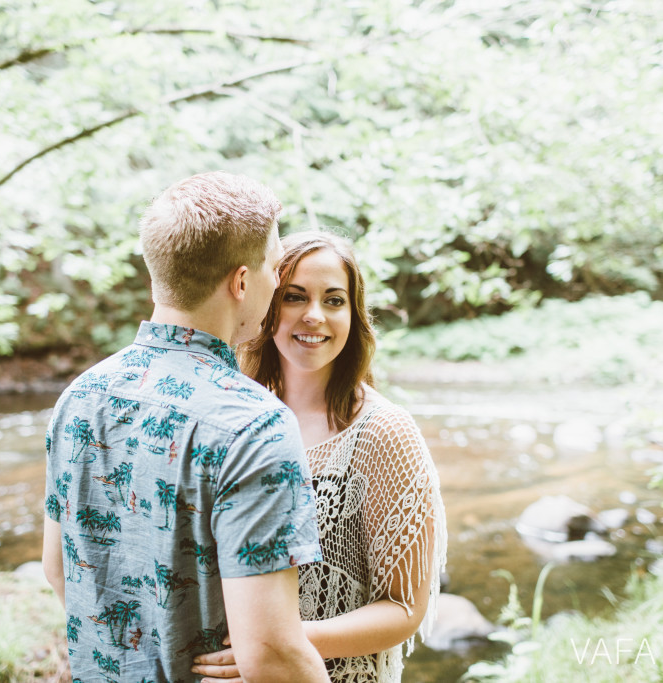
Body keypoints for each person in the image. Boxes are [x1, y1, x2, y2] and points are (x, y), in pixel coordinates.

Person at [41, 172, 331, 683]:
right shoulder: (254, 425)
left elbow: (60, 569)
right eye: (273, 266)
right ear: (241, 282)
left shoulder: (79, 397)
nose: (276, 280)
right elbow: (271, 653)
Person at [191, 231, 447, 683]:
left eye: (334, 300)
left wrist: (283, 643)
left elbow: (405, 607)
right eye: (294, 297)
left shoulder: (383, 433)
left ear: (354, 315)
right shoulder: (232, 416)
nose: (314, 315)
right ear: (268, 305)